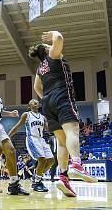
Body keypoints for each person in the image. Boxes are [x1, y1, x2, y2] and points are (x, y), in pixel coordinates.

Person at [29, 31, 97, 197]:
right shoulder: (52, 55)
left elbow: (36, 88)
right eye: (49, 46)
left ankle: (63, 177)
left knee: (61, 142)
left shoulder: (40, 68)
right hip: (62, 97)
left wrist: (46, 97)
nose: (53, 46)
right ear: (47, 49)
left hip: (47, 102)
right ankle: (76, 165)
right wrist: (53, 33)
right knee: (72, 131)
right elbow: (59, 38)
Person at [9, 99, 55, 192]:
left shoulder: (43, 117)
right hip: (32, 138)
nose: (35, 102)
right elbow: (18, 126)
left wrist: (55, 119)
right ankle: (37, 182)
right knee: (42, 159)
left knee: (51, 160)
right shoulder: (27, 115)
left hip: (41, 139)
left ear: (39, 105)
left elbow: (48, 129)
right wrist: (8, 136)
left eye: (36, 102)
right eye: (32, 102)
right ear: (29, 106)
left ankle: (36, 177)